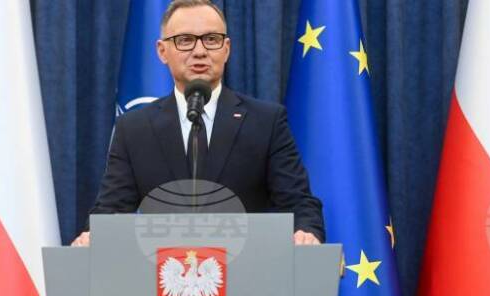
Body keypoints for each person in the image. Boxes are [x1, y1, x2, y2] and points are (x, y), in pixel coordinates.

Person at [72, 0, 323, 246]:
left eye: (211, 39)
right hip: (162, 267)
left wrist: (306, 232)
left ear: (226, 49)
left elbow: (298, 202)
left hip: (246, 265)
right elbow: (111, 209)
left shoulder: (266, 122)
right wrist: (94, 236)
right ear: (162, 51)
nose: (200, 51)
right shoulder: (134, 129)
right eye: (185, 40)